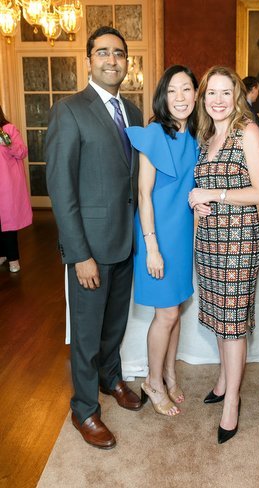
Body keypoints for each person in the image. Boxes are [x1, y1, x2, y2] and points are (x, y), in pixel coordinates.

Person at [46, 26, 143, 450]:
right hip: (90, 247)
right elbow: (60, 187)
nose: (111, 60)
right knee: (86, 333)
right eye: (102, 52)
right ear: (88, 60)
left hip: (125, 242)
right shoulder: (69, 110)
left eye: (119, 53)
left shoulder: (134, 113)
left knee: (114, 326)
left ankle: (110, 379)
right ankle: (84, 408)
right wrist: (78, 254)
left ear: (127, 62)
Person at [188, 66, 259, 444]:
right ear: (203, 98)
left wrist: (214, 197)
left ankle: (232, 402)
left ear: (236, 96)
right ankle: (223, 380)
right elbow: (202, 187)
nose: (218, 100)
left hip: (239, 241)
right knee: (220, 317)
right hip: (208, 242)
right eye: (211, 93)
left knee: (234, 321)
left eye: (225, 92)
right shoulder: (206, 137)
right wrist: (197, 202)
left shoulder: (246, 131)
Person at [125, 64, 202, 417]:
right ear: (162, 96)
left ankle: (169, 373)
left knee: (177, 308)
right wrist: (152, 247)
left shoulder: (198, 135)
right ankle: (152, 381)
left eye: (186, 89)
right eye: (172, 91)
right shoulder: (155, 133)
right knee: (166, 313)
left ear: (196, 94)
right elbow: (144, 195)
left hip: (183, 235)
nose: (180, 97)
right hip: (157, 235)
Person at [0, 106, 32, 273]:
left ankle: (13, 258)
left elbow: (22, 152)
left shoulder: (8, 129)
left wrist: (8, 143)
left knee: (8, 222)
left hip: (6, 184)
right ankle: (2, 254)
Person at [242, 76, 259, 153]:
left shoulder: (245, 106)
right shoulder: (245, 109)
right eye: (258, 90)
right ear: (254, 89)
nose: (258, 93)